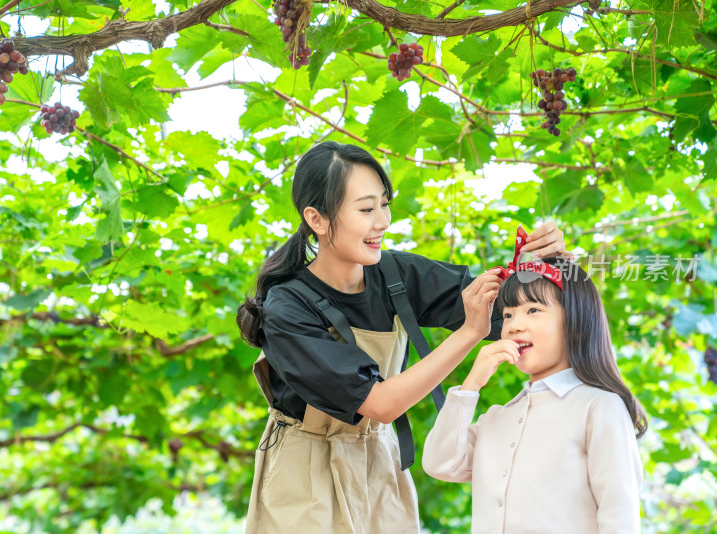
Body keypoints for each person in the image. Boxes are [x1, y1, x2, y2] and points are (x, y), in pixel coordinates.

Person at [236, 142, 569, 533]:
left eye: (384, 204)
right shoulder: (287, 307)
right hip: (303, 472)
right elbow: (380, 404)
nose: (382, 221)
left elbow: (511, 316)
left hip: (380, 463)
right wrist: (469, 333)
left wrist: (547, 266)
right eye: (365, 209)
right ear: (318, 219)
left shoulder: (398, 275)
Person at [422, 227, 647, 534]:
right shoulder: (498, 418)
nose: (515, 325)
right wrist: (470, 385)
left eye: (533, 310)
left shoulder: (598, 407)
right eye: (509, 314)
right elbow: (440, 463)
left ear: (575, 322)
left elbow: (620, 519)